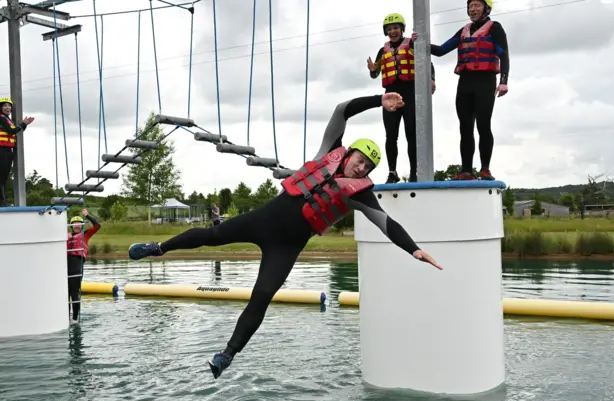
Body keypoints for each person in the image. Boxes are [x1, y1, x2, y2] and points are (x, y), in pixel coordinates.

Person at [127, 92, 444, 380]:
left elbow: (387, 224)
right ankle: (159, 248)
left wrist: (413, 249)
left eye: (369, 167)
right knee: (212, 234)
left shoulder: (361, 195)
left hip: (288, 246)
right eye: (360, 160)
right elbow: (341, 110)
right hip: (264, 220)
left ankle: (227, 355)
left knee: (262, 296)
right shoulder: (329, 151)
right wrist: (379, 100)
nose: (362, 168)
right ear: (349, 155)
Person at [427, 0, 509, 181]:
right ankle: (466, 171)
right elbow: (441, 50)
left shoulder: (495, 28)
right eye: (470, 6)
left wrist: (503, 81)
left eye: (477, 6)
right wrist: (418, 43)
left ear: (486, 8)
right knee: (465, 128)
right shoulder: (464, 30)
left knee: (483, 125)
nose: (473, 9)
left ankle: (485, 169)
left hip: (485, 82)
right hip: (465, 82)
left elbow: (504, 54)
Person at [367, 13, 436, 184]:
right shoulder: (382, 51)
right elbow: (375, 74)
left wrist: (432, 79)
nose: (393, 31)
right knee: (391, 136)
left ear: (402, 29)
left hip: (410, 93)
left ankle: (414, 173)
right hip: (390, 95)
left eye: (396, 28)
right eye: (389, 29)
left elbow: (428, 62)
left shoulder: (412, 43)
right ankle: (392, 172)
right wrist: (371, 69)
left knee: (412, 134)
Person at [66, 208, 101, 323]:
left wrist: (87, 216)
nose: (76, 226)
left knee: (74, 293)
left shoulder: (85, 235)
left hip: (76, 263)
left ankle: (75, 319)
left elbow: (97, 226)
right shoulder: (65, 236)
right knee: (65, 294)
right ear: (71, 226)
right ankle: (66, 319)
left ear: (81, 226)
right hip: (64, 265)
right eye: (74, 224)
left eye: (79, 224)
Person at [0, 97, 34, 206]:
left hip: (8, 150)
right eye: (5, 105)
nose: (7, 107)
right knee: (1, 176)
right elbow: (11, 131)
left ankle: (3, 199)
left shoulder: (8, 120)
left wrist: (24, 125)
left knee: (4, 176)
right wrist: (23, 124)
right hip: (2, 150)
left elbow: (16, 131)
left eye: (9, 106)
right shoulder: (1, 119)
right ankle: (2, 201)